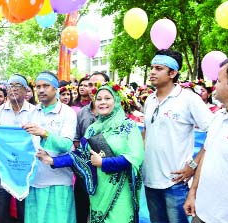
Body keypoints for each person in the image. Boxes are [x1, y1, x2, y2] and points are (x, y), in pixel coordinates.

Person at [37, 82, 144, 222]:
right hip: (99, 190)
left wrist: (103, 162)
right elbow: (81, 155)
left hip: (120, 190)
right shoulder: (92, 129)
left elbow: (135, 157)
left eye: (107, 98)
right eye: (99, 99)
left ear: (116, 100)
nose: (102, 102)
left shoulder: (129, 126)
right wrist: (52, 161)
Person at [142, 49, 213, 223]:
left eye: (158, 68)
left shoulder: (189, 99)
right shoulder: (149, 100)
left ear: (172, 73)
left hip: (175, 182)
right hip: (150, 181)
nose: (152, 72)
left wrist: (194, 165)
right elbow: (145, 132)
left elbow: (214, 132)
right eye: (152, 67)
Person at [183, 57, 228, 223]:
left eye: (218, 81)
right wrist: (193, 192)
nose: (214, 86)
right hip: (201, 213)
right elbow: (206, 155)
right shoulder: (219, 117)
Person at [22, 71, 77, 223]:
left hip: (58, 181)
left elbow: (66, 145)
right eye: (38, 86)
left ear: (56, 89)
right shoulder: (32, 112)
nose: (40, 90)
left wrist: (44, 133)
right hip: (35, 180)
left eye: (46, 86)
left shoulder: (68, 113)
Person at [0, 74, 36, 223]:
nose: (13, 89)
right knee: (1, 209)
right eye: (10, 85)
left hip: (25, 172)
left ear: (26, 91)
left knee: (24, 210)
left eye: (17, 86)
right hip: (4, 171)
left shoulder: (35, 112)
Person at [73, 71, 110, 223]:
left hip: (108, 172)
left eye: (98, 85)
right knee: (81, 211)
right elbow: (76, 141)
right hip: (85, 172)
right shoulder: (82, 113)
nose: (93, 88)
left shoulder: (117, 113)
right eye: (90, 85)